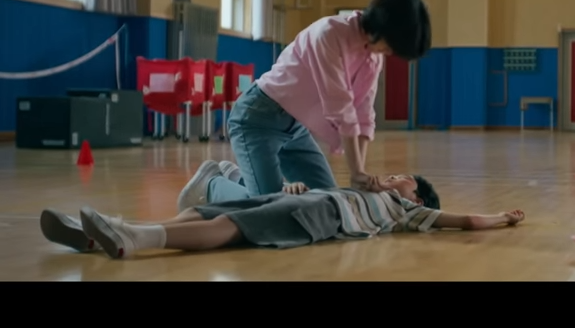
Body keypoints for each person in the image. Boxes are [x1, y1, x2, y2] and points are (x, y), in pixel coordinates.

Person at [38, 161, 526, 259]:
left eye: (405, 179)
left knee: (232, 225)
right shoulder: (360, 190)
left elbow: (463, 220)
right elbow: (325, 190)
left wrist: (502, 218)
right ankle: (111, 234)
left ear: (416, 198)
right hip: (306, 200)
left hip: (320, 218)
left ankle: (134, 239)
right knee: (208, 212)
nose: (395, 176)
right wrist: (295, 188)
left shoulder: (404, 211)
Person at [227, 0, 431, 200]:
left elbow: (363, 115)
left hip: (295, 126)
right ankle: (216, 182)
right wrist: (356, 172)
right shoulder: (329, 34)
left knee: (329, 200)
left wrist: (358, 174)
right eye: (391, 46)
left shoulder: (373, 57)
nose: (389, 53)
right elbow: (341, 108)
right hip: (257, 118)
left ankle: (259, 184)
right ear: (382, 27)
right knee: (269, 205)